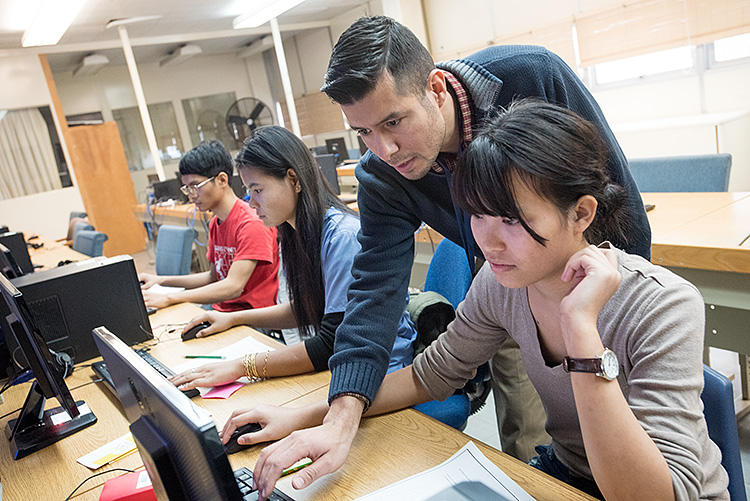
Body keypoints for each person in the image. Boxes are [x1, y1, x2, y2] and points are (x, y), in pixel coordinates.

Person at [227, 100, 728, 501]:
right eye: (477, 215)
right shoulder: (501, 280)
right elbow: (430, 374)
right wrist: (312, 415)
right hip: (568, 476)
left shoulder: (663, 305)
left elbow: (652, 494)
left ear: (581, 214)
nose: (487, 241)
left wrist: (581, 329)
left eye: (510, 219)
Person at [248, 14, 654, 491]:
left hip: (597, 296)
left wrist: (616, 317)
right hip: (507, 291)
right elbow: (374, 293)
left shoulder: (530, 78)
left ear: (436, 88)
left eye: (394, 121)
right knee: (535, 444)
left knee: (624, 438)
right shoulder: (384, 176)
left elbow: (614, 206)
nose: (386, 149)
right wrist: (338, 414)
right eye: (363, 133)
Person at [168, 126, 416, 389]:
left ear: (294, 180)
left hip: (380, 372)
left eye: (258, 190)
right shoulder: (294, 232)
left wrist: (242, 366)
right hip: (344, 367)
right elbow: (307, 308)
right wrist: (233, 318)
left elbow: (330, 342)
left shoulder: (342, 237)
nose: (251, 203)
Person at [138, 140, 279, 312]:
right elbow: (214, 277)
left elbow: (233, 286)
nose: (191, 196)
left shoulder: (251, 223)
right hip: (223, 311)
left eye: (195, 186)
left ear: (221, 180)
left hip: (252, 318)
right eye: (187, 188)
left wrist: (169, 297)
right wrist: (160, 280)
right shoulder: (215, 223)